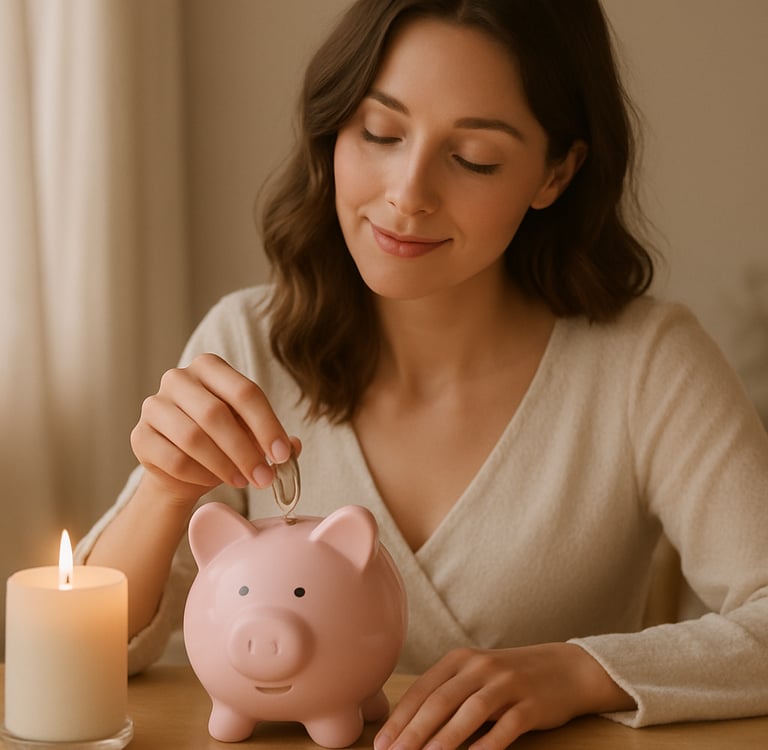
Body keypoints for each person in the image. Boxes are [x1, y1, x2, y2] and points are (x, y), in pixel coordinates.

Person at [78, 1, 768, 748]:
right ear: (334, 128)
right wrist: (165, 491)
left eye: (474, 158)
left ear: (556, 172)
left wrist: (574, 672)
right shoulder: (248, 341)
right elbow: (93, 651)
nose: (408, 195)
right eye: (379, 133)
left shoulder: (646, 364)